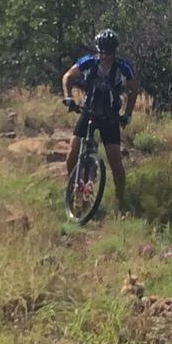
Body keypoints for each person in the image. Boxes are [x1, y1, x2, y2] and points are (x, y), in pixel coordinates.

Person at [62, 28, 136, 210]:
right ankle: (73, 189)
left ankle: (121, 200)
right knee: (73, 150)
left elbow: (134, 88)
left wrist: (127, 113)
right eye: (103, 52)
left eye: (109, 52)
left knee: (114, 159)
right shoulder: (89, 62)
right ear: (98, 50)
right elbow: (68, 76)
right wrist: (68, 96)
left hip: (110, 116)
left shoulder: (122, 67)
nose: (106, 56)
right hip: (89, 111)